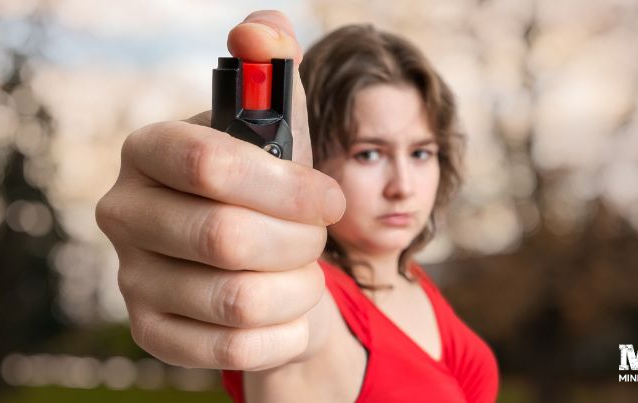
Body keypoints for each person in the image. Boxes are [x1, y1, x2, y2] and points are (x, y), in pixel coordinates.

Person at [96, 10, 498, 403]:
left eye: (421, 153)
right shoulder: (307, 301)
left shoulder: (411, 279)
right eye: (369, 155)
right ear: (315, 160)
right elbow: (281, 310)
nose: (403, 186)